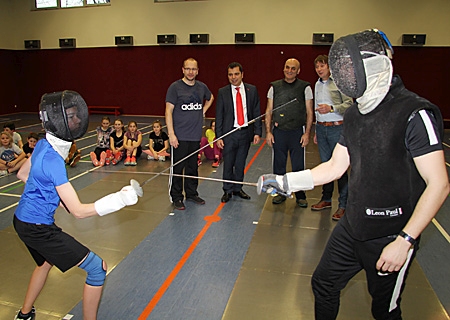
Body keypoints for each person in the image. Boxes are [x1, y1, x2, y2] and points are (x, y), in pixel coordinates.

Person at [258, 29, 449, 320]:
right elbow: (335, 167)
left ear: (371, 65)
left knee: (384, 310)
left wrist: (405, 241)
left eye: (349, 67)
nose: (343, 74)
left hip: (391, 234)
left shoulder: (413, 112)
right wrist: (286, 181)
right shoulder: (355, 114)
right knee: (323, 284)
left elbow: (439, 184)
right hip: (353, 226)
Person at [13, 90, 140, 320]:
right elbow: (78, 212)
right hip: (39, 228)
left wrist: (51, 198)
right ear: (60, 121)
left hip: (21, 220)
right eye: (71, 117)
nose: (78, 120)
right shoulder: (54, 161)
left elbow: (23, 174)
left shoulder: (42, 144)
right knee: (97, 269)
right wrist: (119, 200)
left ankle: (24, 314)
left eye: (76, 115)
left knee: (44, 264)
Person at [165, 57, 214, 210]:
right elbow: (168, 111)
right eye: (188, 69)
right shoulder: (175, 87)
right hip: (179, 136)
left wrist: (203, 111)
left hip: (195, 135)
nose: (191, 72)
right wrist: (171, 134)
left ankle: (192, 193)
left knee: (193, 167)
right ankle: (177, 197)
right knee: (178, 168)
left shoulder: (201, 87)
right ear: (183, 70)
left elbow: (211, 97)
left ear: (197, 71)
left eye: (193, 69)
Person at [265, 58, 313, 207]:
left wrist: (307, 134)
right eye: (287, 67)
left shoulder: (305, 87)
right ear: (283, 69)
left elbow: (309, 112)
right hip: (279, 132)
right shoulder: (274, 87)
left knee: (298, 166)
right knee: (279, 164)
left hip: (297, 132)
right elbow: (268, 110)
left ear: (298, 71)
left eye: (293, 68)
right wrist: (268, 131)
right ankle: (280, 193)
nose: (290, 70)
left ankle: (300, 195)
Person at [311, 54, 353, 221]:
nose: (319, 69)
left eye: (322, 66)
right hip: (321, 130)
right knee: (326, 167)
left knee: (340, 169)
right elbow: (316, 110)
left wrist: (331, 108)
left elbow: (349, 105)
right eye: (317, 67)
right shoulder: (317, 84)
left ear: (329, 67)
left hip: (337, 129)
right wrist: (316, 129)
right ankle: (326, 199)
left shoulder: (340, 83)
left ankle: (343, 205)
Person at [216, 62, 262, 203]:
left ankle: (237, 188)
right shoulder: (222, 92)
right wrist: (219, 136)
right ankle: (227, 190)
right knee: (228, 163)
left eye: (236, 74)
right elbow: (219, 115)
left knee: (240, 163)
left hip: (245, 133)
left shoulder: (251, 90)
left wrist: (257, 132)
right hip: (229, 134)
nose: (233, 77)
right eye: (230, 74)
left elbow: (256, 111)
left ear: (242, 74)